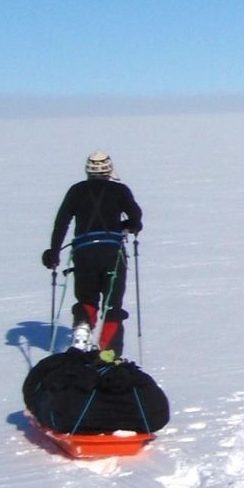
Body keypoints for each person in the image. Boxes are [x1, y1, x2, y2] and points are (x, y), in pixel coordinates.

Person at [41, 151, 142, 356]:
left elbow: (61, 223)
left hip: (83, 254)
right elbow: (136, 218)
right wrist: (126, 226)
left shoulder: (76, 191)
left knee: (86, 299)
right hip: (113, 254)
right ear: (109, 170)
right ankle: (109, 353)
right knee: (112, 304)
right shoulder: (119, 190)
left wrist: (53, 252)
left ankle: (82, 331)